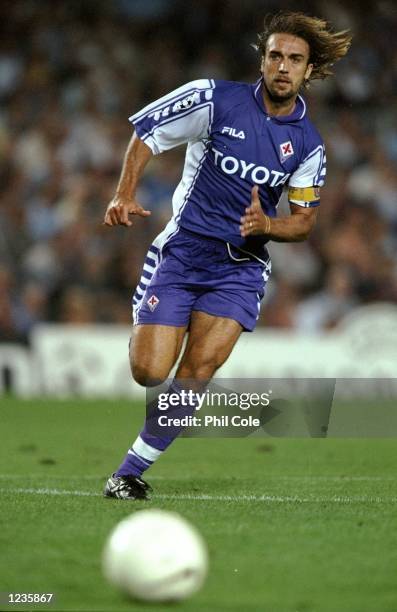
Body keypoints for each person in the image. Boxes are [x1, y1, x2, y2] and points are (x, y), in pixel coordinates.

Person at [103, 12, 351, 499]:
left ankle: (128, 472)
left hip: (239, 269)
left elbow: (303, 223)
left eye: (294, 60)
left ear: (309, 70)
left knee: (198, 371)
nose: (283, 66)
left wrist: (268, 226)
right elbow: (147, 132)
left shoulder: (309, 145)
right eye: (275, 56)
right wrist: (122, 194)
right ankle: (150, 316)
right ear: (262, 59)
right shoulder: (215, 99)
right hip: (184, 251)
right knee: (150, 372)